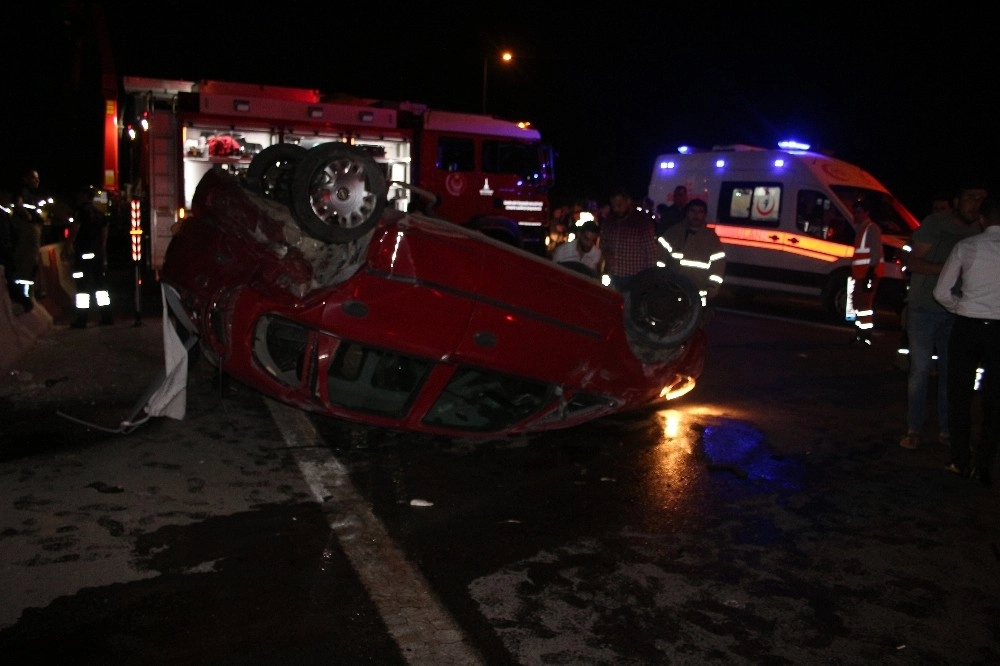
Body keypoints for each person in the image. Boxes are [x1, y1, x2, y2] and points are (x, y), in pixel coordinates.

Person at [899, 181, 987, 450]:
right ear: (957, 200)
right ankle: (914, 429)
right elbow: (913, 262)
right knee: (921, 370)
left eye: (981, 198)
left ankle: (948, 432)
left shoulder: (982, 229)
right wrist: (951, 270)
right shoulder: (935, 223)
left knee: (953, 374)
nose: (976, 203)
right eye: (971, 196)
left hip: (958, 310)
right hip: (924, 308)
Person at [933, 195, 1000, 486]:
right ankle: (984, 464)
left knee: (959, 393)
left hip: (968, 326)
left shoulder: (968, 246)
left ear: (983, 219)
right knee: (995, 400)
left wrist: (959, 306)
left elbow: (940, 292)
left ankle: (960, 459)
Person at [658, 198, 726, 302]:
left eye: (700, 212)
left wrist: (712, 288)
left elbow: (718, 267)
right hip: (672, 292)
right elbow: (659, 258)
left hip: (698, 296)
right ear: (687, 212)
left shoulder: (711, 239)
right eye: (693, 211)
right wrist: (660, 280)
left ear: (705, 215)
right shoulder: (673, 233)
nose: (696, 215)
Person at [64, 186, 113, 328]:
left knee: (82, 288)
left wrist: (67, 247)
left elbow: (75, 230)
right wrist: (102, 251)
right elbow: (105, 233)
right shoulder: (99, 213)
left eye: (80, 195)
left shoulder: (82, 212)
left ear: (85, 196)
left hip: (83, 254)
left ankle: (82, 319)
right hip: (97, 254)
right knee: (100, 286)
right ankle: (106, 316)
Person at [600, 186, 657, 291]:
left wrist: (649, 278)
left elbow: (651, 253)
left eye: (619, 205)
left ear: (628, 201)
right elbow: (603, 243)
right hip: (612, 275)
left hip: (634, 277)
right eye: (613, 206)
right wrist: (606, 253)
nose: (616, 209)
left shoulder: (642, 221)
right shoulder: (609, 220)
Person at [847, 196, 884, 346]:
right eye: (855, 212)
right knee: (859, 304)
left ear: (866, 213)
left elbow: (875, 252)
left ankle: (865, 336)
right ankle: (860, 335)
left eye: (859, 212)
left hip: (868, 273)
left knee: (865, 306)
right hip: (861, 273)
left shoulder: (871, 228)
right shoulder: (861, 228)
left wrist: (871, 271)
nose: (856, 215)